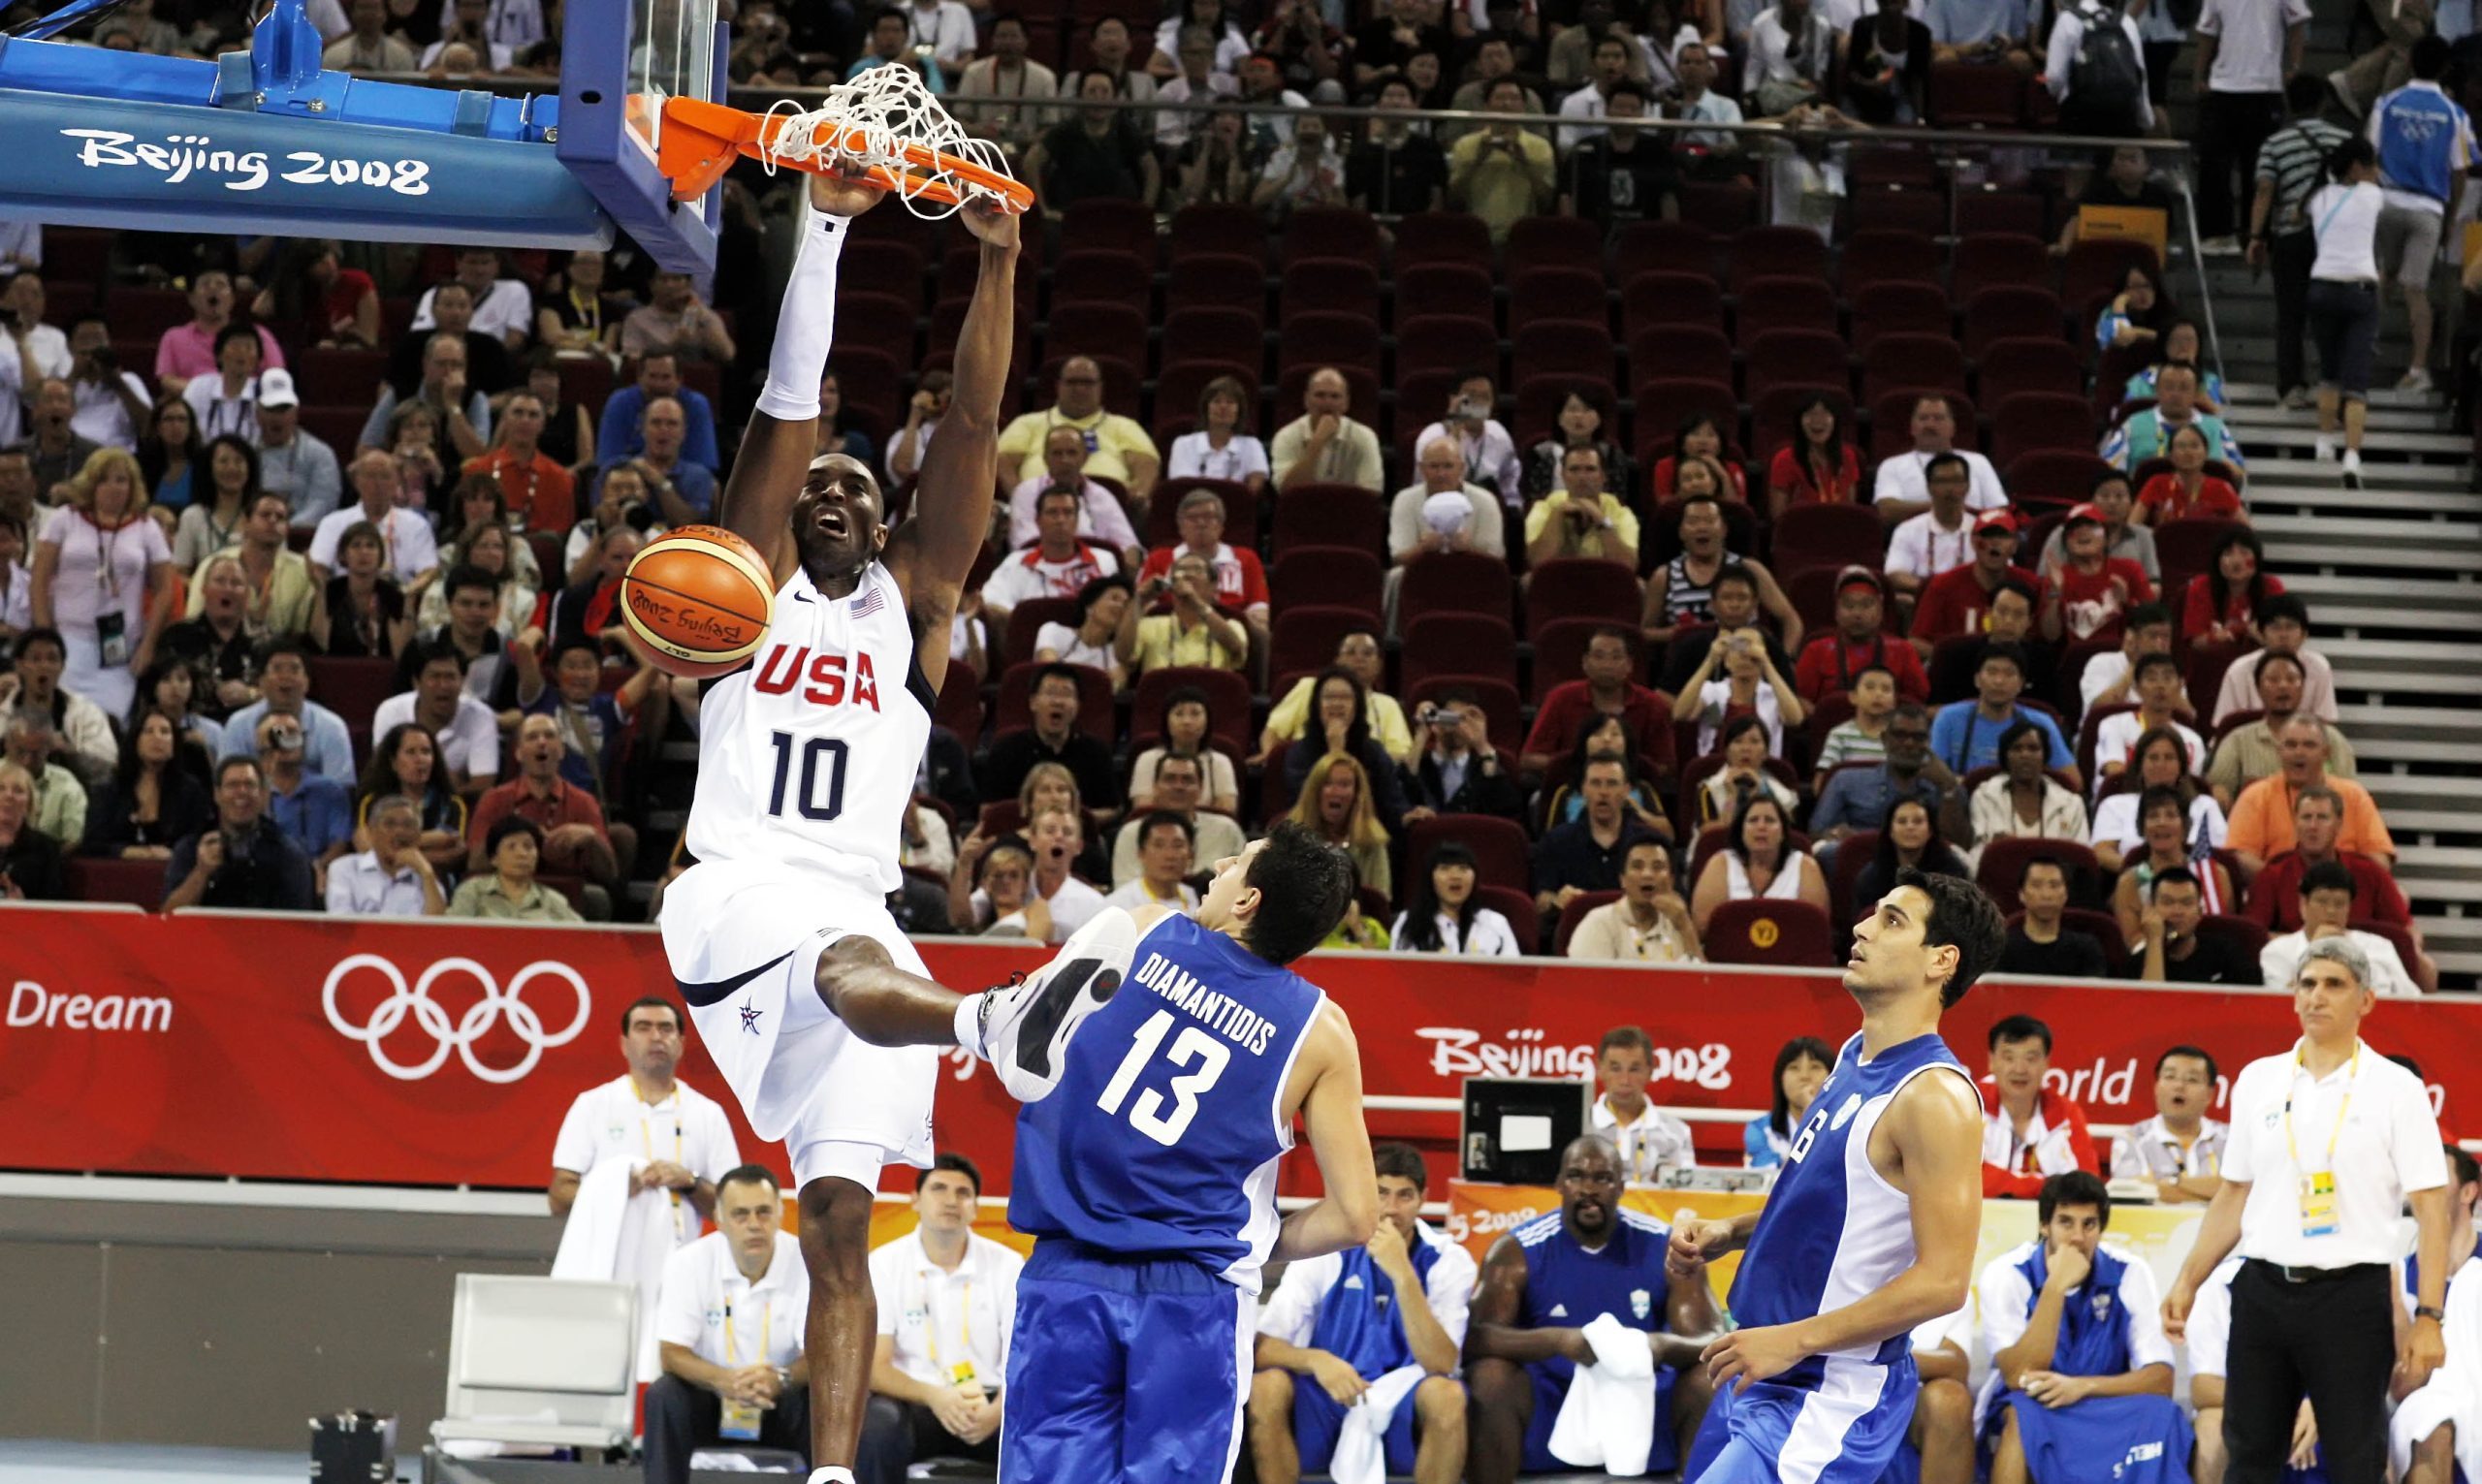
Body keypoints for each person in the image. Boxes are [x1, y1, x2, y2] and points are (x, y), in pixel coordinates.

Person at [1000, 832, 1379, 1484]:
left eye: (1238, 863)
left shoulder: (1139, 929)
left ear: (1247, 901)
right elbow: (1355, 1217)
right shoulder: (1323, 1033)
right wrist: (1258, 1244)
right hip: (1196, 1293)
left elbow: (1015, 1028)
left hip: (1068, 1270)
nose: (1220, 864)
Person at [1671, 867, 2001, 1479]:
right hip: (1762, 1362)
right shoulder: (1854, 1053)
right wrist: (1733, 1232)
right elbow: (1830, 1205)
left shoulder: (1935, 1098)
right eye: (1873, 913)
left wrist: (1791, 1340)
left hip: (1826, 1389)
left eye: (1892, 920)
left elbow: (1943, 1282)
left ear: (1942, 960)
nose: (1862, 928)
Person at [2163, 937, 2451, 1484]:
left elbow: (2432, 1208)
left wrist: (2429, 1317)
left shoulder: (2398, 1088)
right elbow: (2233, 1192)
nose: (2317, 996)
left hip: (2352, 1296)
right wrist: (2188, 1278)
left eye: (2334, 985)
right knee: (2247, 1456)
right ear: (2293, 995)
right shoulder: (2258, 1080)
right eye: (2308, 984)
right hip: (2262, 1290)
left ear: (2366, 1000)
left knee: (2355, 1461)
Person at [1465, 1134, 1721, 1484]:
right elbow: (1476, 1338)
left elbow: (1711, 1339)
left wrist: (1657, 1347)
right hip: (1550, 1397)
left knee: (1708, 1378)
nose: (1588, 1188)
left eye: (1602, 1178)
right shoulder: (1516, 1250)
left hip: (1642, 1398)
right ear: (1558, 1183)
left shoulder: (1665, 1247)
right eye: (1576, 1176)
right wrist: (1558, 1342)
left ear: (1621, 1186)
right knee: (1489, 1376)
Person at [1249, 1141, 1473, 1484]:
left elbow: (1442, 1363)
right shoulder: (1323, 1251)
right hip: (1330, 1398)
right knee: (1267, 1386)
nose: (1391, 1209)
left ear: (1423, 1199)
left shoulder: (1449, 1260)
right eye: (1381, 1193)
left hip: (1403, 1403)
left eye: (1405, 1196)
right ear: (1366, 1192)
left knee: (1447, 1396)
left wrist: (1402, 1273)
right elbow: (1261, 1347)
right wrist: (1317, 1360)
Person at [1976, 1171, 2188, 1482]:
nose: (2077, 1237)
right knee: (2021, 1415)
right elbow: (2018, 1375)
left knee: (2162, 1414)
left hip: (2101, 1397)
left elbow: (2160, 1379)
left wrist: (2083, 1387)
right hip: (2036, 1400)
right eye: (2065, 1222)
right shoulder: (2007, 1273)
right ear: (2044, 1226)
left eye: (2089, 1224)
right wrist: (2055, 1287)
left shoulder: (2130, 1272)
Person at [857, 1155, 1018, 1484]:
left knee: (1042, 1424)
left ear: (975, 1206)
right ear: (915, 1201)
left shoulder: (1008, 1265)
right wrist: (935, 1396)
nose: (950, 1200)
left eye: (963, 1192)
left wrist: (998, 1411)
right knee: (875, 1425)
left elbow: (1024, 1356)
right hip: (916, 1401)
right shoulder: (884, 1264)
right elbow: (876, 1367)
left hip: (990, 1404)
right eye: (939, 1188)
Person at [648, 1165, 811, 1484]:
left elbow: (822, 1356)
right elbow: (671, 1353)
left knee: (825, 1395)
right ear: (719, 1219)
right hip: (713, 1396)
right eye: (741, 1214)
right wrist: (725, 1381)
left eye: (764, 1212)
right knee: (664, 1395)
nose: (754, 1225)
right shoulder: (689, 1263)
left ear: (780, 1212)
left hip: (781, 1394)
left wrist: (781, 1377)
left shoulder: (807, 1261)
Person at [30, 448, 176, 718]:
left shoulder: (147, 527)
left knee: (109, 725)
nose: (113, 487)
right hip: (68, 640)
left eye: (121, 480)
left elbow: (166, 589)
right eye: (104, 480)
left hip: (120, 645)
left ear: (133, 486)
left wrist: (148, 644)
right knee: (66, 718)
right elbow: (39, 580)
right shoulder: (64, 519)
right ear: (90, 483)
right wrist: (44, 637)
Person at [2368, 36, 2472, 394]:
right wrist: (2450, 217)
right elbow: (2460, 170)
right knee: (2415, 289)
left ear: (2410, 61)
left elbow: (2369, 154)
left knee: (2382, 277)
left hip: (2387, 200)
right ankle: (2417, 369)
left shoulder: (2388, 103)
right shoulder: (2454, 113)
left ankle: (2363, 348)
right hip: (2428, 208)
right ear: (2445, 69)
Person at [2250, 75, 2353, 411]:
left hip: (2291, 236)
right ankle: (2333, 385)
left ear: (2288, 104)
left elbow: (2265, 191)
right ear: (2324, 103)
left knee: (2291, 315)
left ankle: (2292, 386)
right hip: (2335, 236)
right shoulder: (2346, 140)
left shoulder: (2274, 143)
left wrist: (2255, 237)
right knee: (2335, 313)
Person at [2305, 137, 2386, 486]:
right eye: (2371, 165)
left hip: (2321, 286)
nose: (2376, 172)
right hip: (2358, 289)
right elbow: (2378, 195)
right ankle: (2352, 457)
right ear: (2357, 168)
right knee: (2356, 378)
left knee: (2329, 370)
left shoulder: (2318, 198)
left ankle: (2324, 443)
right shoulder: (2372, 194)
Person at [2227, 715, 2395, 872]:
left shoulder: (2354, 795)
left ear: (2326, 753)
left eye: (2309, 745)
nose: (2299, 752)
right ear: (2279, 751)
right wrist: (2281, 882)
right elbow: (2240, 856)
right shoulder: (2256, 795)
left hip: (2344, 894)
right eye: (2291, 745)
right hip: (2278, 893)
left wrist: (2339, 886)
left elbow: (2380, 857)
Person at [2244, 784, 2411, 934]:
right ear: (2295, 822)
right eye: (2306, 817)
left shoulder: (2369, 872)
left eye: (2322, 818)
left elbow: (2406, 930)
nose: (2313, 826)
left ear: (2339, 824)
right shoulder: (2273, 874)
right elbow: (2254, 937)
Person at [162, 755, 316, 911]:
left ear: (263, 795)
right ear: (217, 794)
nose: (242, 792)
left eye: (249, 785)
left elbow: (299, 921)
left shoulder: (288, 853)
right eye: (232, 785)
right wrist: (201, 873)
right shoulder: (191, 847)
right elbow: (169, 915)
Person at [2260, 860, 2429, 996]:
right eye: (2322, 902)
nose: (2331, 911)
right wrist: (2317, 950)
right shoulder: (2277, 953)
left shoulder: (2380, 947)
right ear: (2303, 904)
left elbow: (2412, 1001)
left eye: (2340, 904)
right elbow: (2280, 1008)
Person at [1812, 703, 1971, 847]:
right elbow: (1816, 832)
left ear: (1928, 742)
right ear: (1884, 739)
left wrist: (1948, 787)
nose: (1909, 744)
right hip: (1860, 861)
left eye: (1918, 737)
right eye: (1900, 735)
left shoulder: (1946, 786)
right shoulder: (1846, 780)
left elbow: (1960, 845)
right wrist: (1839, 836)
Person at [1522, 626, 1672, 777]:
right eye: (1599, 656)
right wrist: (1582, 766)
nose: (1607, 665)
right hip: (1570, 784)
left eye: (1616, 657)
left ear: (1629, 665)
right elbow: (1530, 758)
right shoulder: (1560, 698)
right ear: (1585, 663)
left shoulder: (1652, 704)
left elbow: (1665, 765)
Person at [1982, 1014, 2100, 1199]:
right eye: (2009, 1058)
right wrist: (2047, 1187)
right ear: (1991, 1061)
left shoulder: (2065, 1113)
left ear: (2046, 1063)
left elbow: (2087, 1183)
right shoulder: (1970, 1105)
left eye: (2031, 1058)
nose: (2020, 1069)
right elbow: (1962, 1176)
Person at [1534, 755, 1662, 925]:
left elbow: (1674, 900)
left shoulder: (1650, 843)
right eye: (1595, 783)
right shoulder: (1556, 841)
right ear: (1584, 790)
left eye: (1612, 783)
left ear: (1626, 791)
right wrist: (1557, 900)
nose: (1603, 792)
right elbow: (1540, 899)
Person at [1280, 667, 1409, 831]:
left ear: (1357, 706)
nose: (1337, 704)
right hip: (1312, 836)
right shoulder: (1299, 752)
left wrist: (1407, 815)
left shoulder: (1373, 750)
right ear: (1317, 706)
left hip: (1366, 836)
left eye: (1345, 698)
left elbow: (1392, 801)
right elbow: (1310, 804)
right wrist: (1336, 751)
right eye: (1329, 697)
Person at [1929, 643, 2075, 782]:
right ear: (1977, 679)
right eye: (1992, 672)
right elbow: (1931, 774)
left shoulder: (2040, 723)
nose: (1999, 681)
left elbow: (2073, 780)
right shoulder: (1948, 718)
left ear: (2021, 684)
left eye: (2009, 673)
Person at [982, 662, 1121, 806]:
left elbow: (1112, 808)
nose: (1058, 702)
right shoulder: (1006, 750)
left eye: (1066, 694)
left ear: (1078, 706)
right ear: (1033, 702)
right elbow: (988, 810)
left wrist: (1072, 817)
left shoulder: (1096, 752)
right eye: (1051, 693)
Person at [1689, 792, 1828, 935]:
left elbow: (1816, 930)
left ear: (1783, 832)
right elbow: (1703, 928)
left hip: (1790, 954)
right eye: (1753, 820)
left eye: (1769, 820)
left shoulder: (1805, 866)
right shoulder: (1720, 863)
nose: (1761, 827)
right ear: (1741, 830)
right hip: (1730, 954)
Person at [2091, 726, 2224, 874]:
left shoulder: (2205, 805)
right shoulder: (2114, 805)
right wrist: (2148, 873)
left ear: (2181, 766)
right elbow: (2102, 853)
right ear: (2140, 765)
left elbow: (2221, 854)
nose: (2161, 765)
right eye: (2153, 758)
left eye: (2169, 757)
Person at [81, 707, 209, 860]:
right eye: (148, 731)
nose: (157, 738)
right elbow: (92, 843)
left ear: (174, 743)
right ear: (135, 740)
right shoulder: (109, 790)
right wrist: (133, 852)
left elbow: (199, 840)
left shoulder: (191, 791)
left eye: (165, 732)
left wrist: (174, 856)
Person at [2111, 1045, 2228, 1202]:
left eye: (2191, 1080)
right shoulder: (2131, 1139)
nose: (2179, 1086)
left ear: (2209, 1095)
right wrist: (2210, 1190)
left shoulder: (2231, 1139)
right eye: (2170, 1077)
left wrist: (2173, 1182)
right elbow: (2133, 1193)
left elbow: (2241, 1190)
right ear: (2157, 1087)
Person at [1796, 567, 1930, 704]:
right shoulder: (1816, 651)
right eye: (1849, 605)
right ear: (1836, 611)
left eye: (1866, 605)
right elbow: (1801, 702)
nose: (1857, 613)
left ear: (1880, 611)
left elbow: (1917, 704)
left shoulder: (1903, 651)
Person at [1672, 623, 1806, 759]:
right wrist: (1711, 660)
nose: (1746, 657)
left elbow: (1795, 720)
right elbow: (1680, 714)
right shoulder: (1712, 691)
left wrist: (1766, 663)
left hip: (1763, 769)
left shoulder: (1774, 694)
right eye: (1739, 648)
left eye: (1753, 655)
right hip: (1716, 769)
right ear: (1727, 661)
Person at [1448, 79, 1558, 242]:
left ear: (1523, 107)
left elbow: (1546, 200)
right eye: (1500, 98)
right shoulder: (1465, 145)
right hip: (1474, 236)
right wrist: (1478, 160)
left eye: (1514, 98)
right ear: (1486, 105)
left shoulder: (1540, 146)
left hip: (1524, 238)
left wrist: (1525, 163)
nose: (1507, 104)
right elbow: (1454, 198)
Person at [1108, 753, 1243, 886]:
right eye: (1170, 779)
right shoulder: (1131, 833)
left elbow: (1245, 884)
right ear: (1155, 787)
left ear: (1201, 788)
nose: (1178, 787)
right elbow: (1124, 888)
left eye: (1187, 780)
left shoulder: (1227, 830)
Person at [1872, 394, 2008, 524]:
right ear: (1912, 428)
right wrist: (1946, 506)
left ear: (1952, 428)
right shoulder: (1892, 465)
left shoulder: (1978, 461)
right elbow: (1887, 510)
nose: (1930, 425)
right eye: (1923, 418)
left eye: (1938, 418)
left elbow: (2000, 510)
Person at [1566, 837, 1703, 963]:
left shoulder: (1678, 923)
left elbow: (1705, 983)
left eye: (1657, 867)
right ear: (1622, 879)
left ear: (1671, 880)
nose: (1647, 874)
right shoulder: (1599, 923)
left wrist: (1686, 927)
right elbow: (1588, 984)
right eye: (1637, 866)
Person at [1969, 720, 2089, 855]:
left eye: (2033, 748)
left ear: (2045, 755)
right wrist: (1994, 849)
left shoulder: (2071, 804)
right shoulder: (1985, 796)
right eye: (2016, 748)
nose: (2025, 755)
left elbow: (2080, 856)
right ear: (2005, 756)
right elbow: (1976, 854)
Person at [1404, 688, 1523, 824]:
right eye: (1451, 718)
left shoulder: (1486, 766)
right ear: (1435, 722)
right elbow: (1401, 792)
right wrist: (1421, 733)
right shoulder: (1419, 764)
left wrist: (1482, 744)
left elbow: (1506, 812)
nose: (1458, 726)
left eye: (1465, 719)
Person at [1288, 749, 1395, 900]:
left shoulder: (1372, 843)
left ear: (1357, 794)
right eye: (1328, 784)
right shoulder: (1291, 838)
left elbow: (1380, 903)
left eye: (1344, 785)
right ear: (1314, 791)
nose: (1335, 792)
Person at [1389, 839, 1522, 956]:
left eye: (1463, 869)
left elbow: (1514, 975)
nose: (1455, 876)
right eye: (1445, 868)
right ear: (1430, 878)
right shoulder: (1409, 922)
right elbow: (1399, 975)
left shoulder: (1495, 923)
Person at [324, 793, 446, 917]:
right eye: (389, 824)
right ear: (371, 832)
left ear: (418, 836)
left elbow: (436, 929)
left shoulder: (425, 876)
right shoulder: (345, 868)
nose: (399, 831)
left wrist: (426, 873)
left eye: (408, 825)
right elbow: (341, 923)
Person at [2128, 866, 2254, 984]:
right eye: (2167, 902)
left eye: (2186, 903)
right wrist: (2155, 940)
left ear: (2199, 912)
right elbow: (2151, 1004)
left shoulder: (2229, 955)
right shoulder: (2137, 964)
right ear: (2151, 909)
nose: (2177, 911)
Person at [1270, 366, 1384, 493]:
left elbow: (1371, 493)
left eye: (1335, 396)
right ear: (1306, 400)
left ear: (1346, 403)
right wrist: (1317, 442)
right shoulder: (1286, 436)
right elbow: (1287, 490)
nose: (1327, 402)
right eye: (1319, 395)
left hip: (1349, 510)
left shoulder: (1365, 436)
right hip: (1302, 510)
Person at [1997, 855, 2114, 978]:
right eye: (2036, 885)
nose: (2046, 894)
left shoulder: (2087, 949)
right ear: (2021, 894)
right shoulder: (2001, 948)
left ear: (2066, 894)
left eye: (2054, 885)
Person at [1855, 797, 1971, 912]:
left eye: (1918, 821)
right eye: (1902, 821)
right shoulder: (1872, 877)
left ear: (1930, 831)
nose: (1910, 827)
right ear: (1890, 832)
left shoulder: (1953, 873)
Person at [1745, 1036, 1834, 1170]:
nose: (1804, 1076)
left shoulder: (1846, 1125)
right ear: (1781, 1079)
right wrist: (1810, 1119)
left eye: (1815, 1067)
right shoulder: (1759, 1129)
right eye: (1794, 1068)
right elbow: (1768, 1177)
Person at [1696, 715, 1798, 828]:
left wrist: (1759, 794)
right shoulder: (1710, 788)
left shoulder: (1779, 792)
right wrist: (1731, 796)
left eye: (1754, 742)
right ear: (1727, 751)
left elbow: (1787, 834)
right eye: (1738, 741)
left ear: (1765, 753)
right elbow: (1708, 836)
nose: (1746, 748)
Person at [1106, 809, 1203, 912]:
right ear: (1141, 853)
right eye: (1159, 845)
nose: (1169, 855)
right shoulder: (1118, 906)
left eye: (1177, 845)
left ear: (1191, 854)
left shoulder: (1199, 899)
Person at [0, 757, 67, 899]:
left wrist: (25, 907)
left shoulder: (46, 849)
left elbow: (55, 904)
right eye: (1, 788)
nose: (8, 796)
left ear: (29, 803)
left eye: (18, 790)